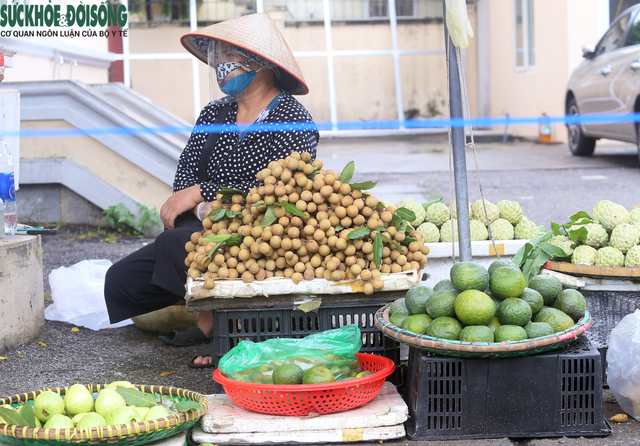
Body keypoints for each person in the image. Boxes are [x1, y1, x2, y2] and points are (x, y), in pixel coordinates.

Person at [104, 13, 319, 368]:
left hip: (261, 237)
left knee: (176, 246)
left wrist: (206, 192)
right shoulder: (214, 113)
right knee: (121, 282)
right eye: (216, 56)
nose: (220, 64)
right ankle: (208, 302)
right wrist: (203, 203)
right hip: (203, 228)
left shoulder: (293, 120)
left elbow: (282, 194)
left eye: (228, 55)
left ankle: (224, 325)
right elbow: (185, 175)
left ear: (261, 62)